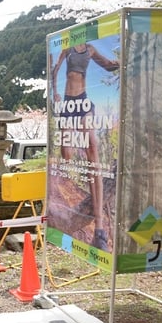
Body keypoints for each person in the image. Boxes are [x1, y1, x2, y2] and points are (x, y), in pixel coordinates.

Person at [52, 42, 119, 250]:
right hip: (67, 103)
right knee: (67, 155)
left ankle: (99, 230)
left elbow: (107, 65)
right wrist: (54, 91)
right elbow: (54, 70)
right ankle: (64, 212)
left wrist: (122, 61)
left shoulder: (90, 49)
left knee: (93, 151)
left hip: (83, 101)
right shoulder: (67, 49)